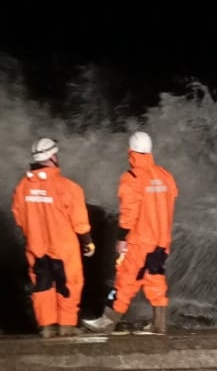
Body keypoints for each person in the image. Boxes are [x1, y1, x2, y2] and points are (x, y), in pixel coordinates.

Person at [82, 130, 178, 334]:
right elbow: (170, 203)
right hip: (161, 242)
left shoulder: (132, 178)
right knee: (155, 279)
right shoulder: (165, 175)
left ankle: (107, 322)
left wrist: (121, 238)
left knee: (125, 280)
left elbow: (128, 213)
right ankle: (159, 324)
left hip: (140, 242)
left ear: (131, 152)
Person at [11, 136, 95, 338]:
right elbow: (80, 221)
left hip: (36, 247)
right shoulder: (67, 187)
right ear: (53, 157)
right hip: (63, 248)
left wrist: (34, 234)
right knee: (69, 284)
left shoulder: (23, 186)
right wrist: (88, 242)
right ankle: (66, 326)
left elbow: (19, 217)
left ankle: (47, 327)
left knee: (42, 286)